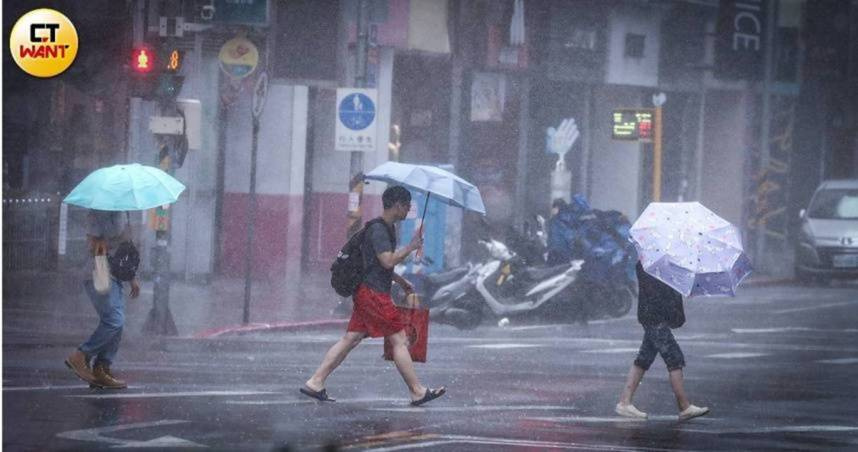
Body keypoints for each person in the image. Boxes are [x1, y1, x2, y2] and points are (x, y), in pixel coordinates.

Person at [301, 186, 446, 406]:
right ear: (397, 205)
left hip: (367, 291)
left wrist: (400, 281)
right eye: (407, 205)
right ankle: (417, 391)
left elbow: (377, 265)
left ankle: (315, 382)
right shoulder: (379, 230)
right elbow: (387, 261)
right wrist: (411, 247)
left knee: (351, 338)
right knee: (399, 339)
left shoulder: (385, 228)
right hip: (373, 294)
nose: (408, 209)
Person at [615, 262, 709, 421]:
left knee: (644, 358)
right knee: (674, 358)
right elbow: (659, 294)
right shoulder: (653, 267)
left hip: (652, 316)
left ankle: (625, 402)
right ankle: (684, 406)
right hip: (655, 318)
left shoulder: (656, 265)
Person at [65, 210, 140, 389]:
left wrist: (131, 277)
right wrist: (118, 238)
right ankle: (81, 355)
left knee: (117, 323)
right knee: (114, 320)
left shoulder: (122, 211)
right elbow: (93, 242)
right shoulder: (100, 211)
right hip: (99, 272)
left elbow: (123, 250)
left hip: (115, 275)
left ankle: (102, 368)